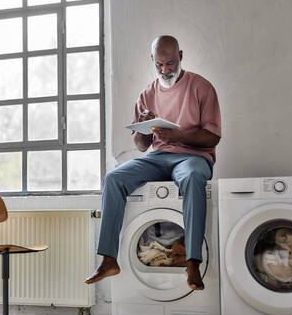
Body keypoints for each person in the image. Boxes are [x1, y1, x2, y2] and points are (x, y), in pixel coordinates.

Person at [85, 35, 221, 290]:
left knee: (192, 177)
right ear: (153, 61)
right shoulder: (147, 94)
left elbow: (213, 136)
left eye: (170, 63)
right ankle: (109, 258)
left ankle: (192, 262)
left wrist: (177, 134)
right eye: (159, 65)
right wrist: (145, 128)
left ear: (180, 56)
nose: (165, 70)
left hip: (193, 157)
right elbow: (141, 146)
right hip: (157, 157)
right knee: (113, 178)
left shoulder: (202, 87)